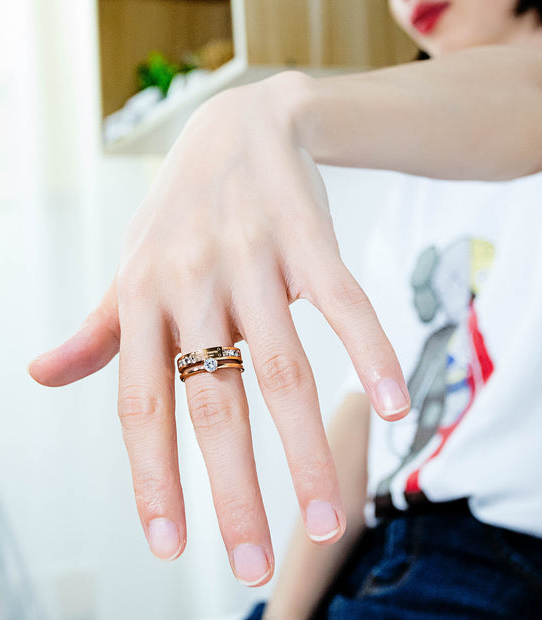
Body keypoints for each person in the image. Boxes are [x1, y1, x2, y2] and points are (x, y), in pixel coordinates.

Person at [28, 0, 542, 609]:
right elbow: (370, 424)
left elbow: (525, 90)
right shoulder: (418, 186)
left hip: (502, 561)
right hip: (381, 551)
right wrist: (282, 610)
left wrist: (272, 110)